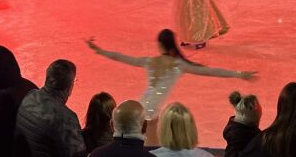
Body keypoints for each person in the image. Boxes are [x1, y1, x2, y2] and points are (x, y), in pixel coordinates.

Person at [87, 30, 254, 144]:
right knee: (150, 148)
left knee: (147, 144)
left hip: (142, 108)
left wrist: (98, 50)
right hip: (150, 115)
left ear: (161, 45)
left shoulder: (151, 61)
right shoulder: (178, 65)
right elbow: (211, 72)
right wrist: (239, 74)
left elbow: (122, 57)